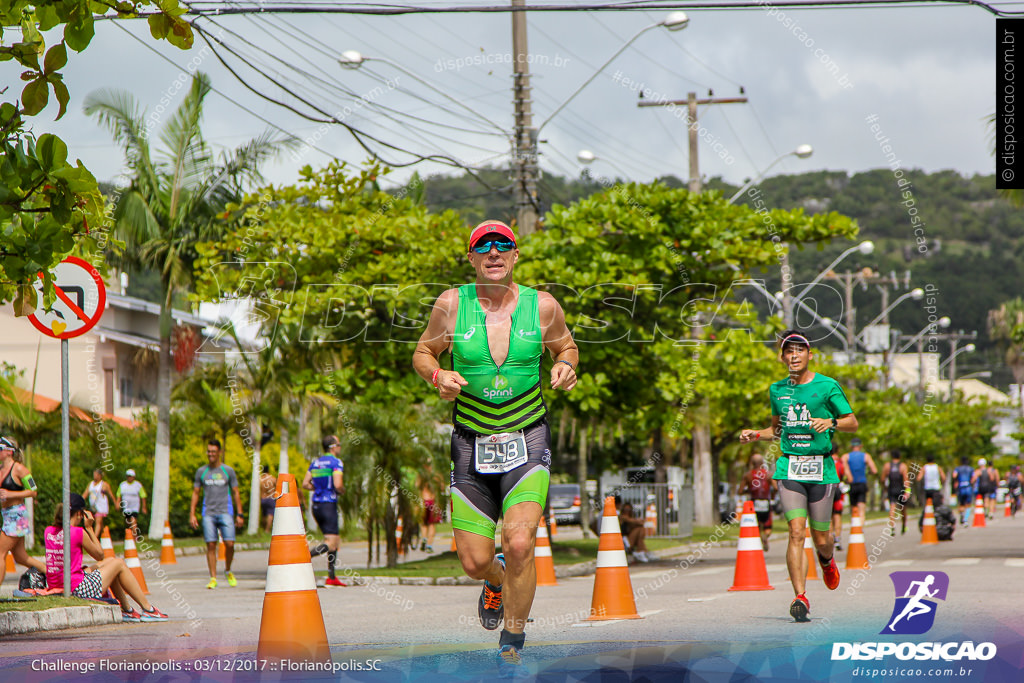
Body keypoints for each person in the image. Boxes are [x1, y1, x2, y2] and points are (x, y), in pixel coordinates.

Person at [412, 220, 579, 668]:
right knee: (473, 560)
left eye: (502, 245)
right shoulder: (451, 305)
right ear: (471, 259)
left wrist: (566, 365)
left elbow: (567, 346)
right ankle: (495, 581)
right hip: (470, 439)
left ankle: (513, 637)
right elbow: (423, 351)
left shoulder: (543, 306)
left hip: (527, 433)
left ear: (515, 255)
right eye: (482, 247)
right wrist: (437, 374)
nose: (493, 253)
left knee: (521, 541)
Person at [740, 330, 857, 623]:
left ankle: (827, 561)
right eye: (788, 351)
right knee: (795, 531)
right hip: (789, 467)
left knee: (821, 538)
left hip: (821, 469)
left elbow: (852, 423)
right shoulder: (777, 390)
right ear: (782, 357)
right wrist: (756, 434)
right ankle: (800, 597)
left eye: (799, 350)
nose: (794, 355)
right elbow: (778, 430)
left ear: (809, 354)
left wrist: (831, 421)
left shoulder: (828, 385)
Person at [44, 493, 167, 622]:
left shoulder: (48, 530)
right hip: (77, 588)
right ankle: (148, 609)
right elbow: (99, 555)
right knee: (118, 563)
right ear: (80, 514)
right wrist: (89, 528)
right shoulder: (78, 532)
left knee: (110, 562)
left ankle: (127, 610)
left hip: (57, 583)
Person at [189, 440, 243, 589]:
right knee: (211, 545)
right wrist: (192, 514)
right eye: (209, 451)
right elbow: (195, 493)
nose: (211, 454)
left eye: (213, 451)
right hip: (209, 513)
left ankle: (228, 570)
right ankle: (213, 577)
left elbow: (236, 492)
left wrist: (240, 514)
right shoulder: (202, 472)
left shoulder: (228, 471)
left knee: (230, 544)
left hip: (226, 511)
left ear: (219, 452)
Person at [0, 436, 45, 585]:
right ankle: (55, 575)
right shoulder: (1, 469)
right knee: (21, 557)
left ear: (9, 451)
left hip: (16, 515)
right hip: (6, 515)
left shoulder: (19, 468)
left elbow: (33, 491)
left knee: (0, 553)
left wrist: (11, 494)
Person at [303, 435, 345, 587]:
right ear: (333, 447)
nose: (340, 447)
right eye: (339, 444)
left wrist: (318, 488)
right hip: (328, 504)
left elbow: (305, 483)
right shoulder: (336, 462)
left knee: (333, 540)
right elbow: (338, 484)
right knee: (331, 542)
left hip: (316, 505)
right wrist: (342, 490)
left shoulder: (316, 463)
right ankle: (305, 556)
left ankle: (332, 577)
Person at [737, 453, 777, 552]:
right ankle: (766, 536)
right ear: (762, 462)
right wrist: (772, 496)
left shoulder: (748, 475)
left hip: (754, 502)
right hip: (766, 502)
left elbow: (740, 491)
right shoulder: (768, 474)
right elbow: (776, 488)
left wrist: (749, 490)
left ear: (751, 463)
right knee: (767, 525)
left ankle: (760, 537)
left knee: (757, 524)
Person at [841, 437, 876, 523]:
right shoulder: (866, 456)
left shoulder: (846, 456)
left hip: (851, 484)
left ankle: (855, 527)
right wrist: (869, 472)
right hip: (862, 484)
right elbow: (874, 470)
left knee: (854, 508)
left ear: (851, 446)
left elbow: (844, 469)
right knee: (862, 508)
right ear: (861, 446)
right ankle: (860, 528)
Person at [881, 451, 909, 536]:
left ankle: (892, 527)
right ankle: (904, 526)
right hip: (901, 489)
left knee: (892, 508)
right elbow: (906, 480)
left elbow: (882, 479)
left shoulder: (887, 466)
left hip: (891, 489)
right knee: (903, 509)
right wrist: (907, 491)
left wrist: (884, 488)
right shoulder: (903, 466)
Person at [115, 468, 147, 536]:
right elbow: (119, 495)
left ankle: (134, 535)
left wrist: (144, 507)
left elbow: (143, 496)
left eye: (130, 476)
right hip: (126, 506)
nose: (129, 478)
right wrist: (117, 503)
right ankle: (130, 534)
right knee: (128, 521)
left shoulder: (138, 485)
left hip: (134, 506)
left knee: (133, 519)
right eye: (128, 476)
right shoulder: (122, 485)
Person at [82, 469, 114, 535]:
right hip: (93, 506)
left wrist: (115, 503)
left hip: (101, 505)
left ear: (100, 476)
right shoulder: (90, 484)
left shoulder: (104, 484)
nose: (94, 476)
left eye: (96, 474)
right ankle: (103, 535)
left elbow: (111, 494)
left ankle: (95, 538)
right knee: (99, 523)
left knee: (98, 521)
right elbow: (85, 493)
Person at [418, 465, 441, 553]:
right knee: (432, 525)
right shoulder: (435, 477)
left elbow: (417, 486)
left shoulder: (421, 477)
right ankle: (429, 546)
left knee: (424, 524)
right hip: (433, 502)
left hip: (424, 501)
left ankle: (424, 538)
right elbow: (441, 487)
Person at [951, 456, 976, 525]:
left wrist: (956, 481)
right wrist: (971, 483)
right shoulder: (971, 469)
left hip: (961, 487)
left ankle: (962, 514)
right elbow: (974, 477)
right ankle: (966, 519)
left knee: (961, 503)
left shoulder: (958, 469)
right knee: (968, 504)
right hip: (968, 487)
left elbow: (954, 475)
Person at [830, 446, 846, 551]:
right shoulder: (841, 462)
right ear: (838, 450)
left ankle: (830, 538)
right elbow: (847, 475)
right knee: (837, 515)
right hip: (837, 489)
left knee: (828, 516)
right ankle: (837, 539)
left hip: (827, 488)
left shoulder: (825, 460)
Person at [259, 465, 276, 534]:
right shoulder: (273, 479)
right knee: (270, 514)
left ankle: (263, 529)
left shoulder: (260, 479)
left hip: (263, 499)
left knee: (264, 515)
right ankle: (267, 530)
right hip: (270, 498)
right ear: (268, 470)